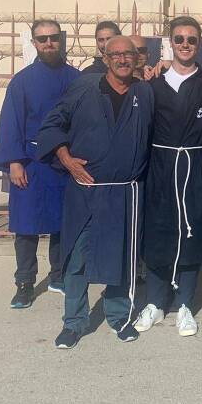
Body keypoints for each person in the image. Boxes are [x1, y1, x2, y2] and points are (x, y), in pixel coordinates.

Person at [36, 36, 154, 349]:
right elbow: (51, 126)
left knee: (122, 258)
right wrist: (66, 159)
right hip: (86, 191)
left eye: (128, 54)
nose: (123, 60)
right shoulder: (84, 88)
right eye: (115, 54)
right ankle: (74, 322)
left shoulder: (145, 92)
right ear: (104, 57)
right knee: (76, 257)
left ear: (136, 59)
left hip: (125, 193)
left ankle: (119, 317)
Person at [134, 17, 202, 338]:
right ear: (170, 42)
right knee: (158, 232)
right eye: (180, 39)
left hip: (194, 166)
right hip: (160, 166)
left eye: (192, 40)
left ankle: (185, 303)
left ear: (199, 45)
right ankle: (155, 303)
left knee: (191, 232)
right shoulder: (153, 84)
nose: (185, 45)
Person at [0, 19, 81, 309]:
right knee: (27, 226)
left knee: (61, 224)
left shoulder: (76, 79)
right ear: (34, 43)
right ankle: (24, 283)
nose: (48, 44)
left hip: (63, 162)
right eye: (42, 39)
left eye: (53, 38)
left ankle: (59, 275)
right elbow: (11, 123)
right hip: (30, 162)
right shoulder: (22, 81)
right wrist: (14, 162)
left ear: (61, 39)